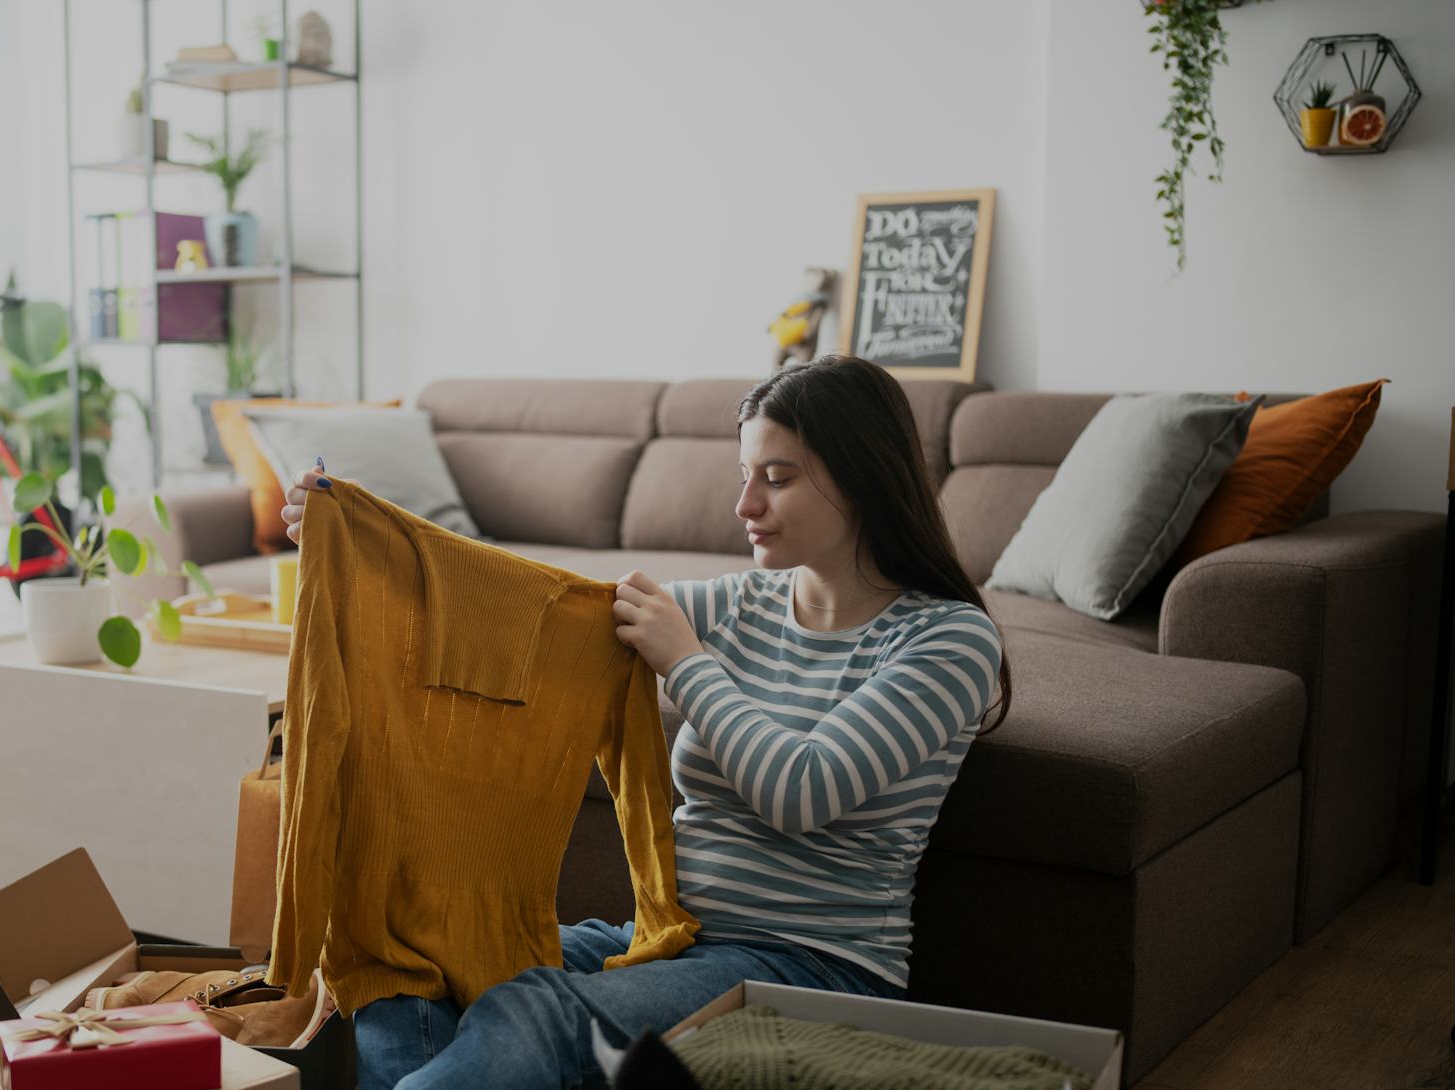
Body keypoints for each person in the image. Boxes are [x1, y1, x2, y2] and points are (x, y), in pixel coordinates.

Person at [277, 356, 1011, 1090]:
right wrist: (364, 542)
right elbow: (537, 609)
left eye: (777, 479)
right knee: (410, 951)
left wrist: (686, 664)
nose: (745, 504)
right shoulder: (740, 605)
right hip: (667, 940)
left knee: (536, 1011)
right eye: (744, 475)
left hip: (813, 967)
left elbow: (804, 790)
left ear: (864, 478)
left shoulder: (946, 641)